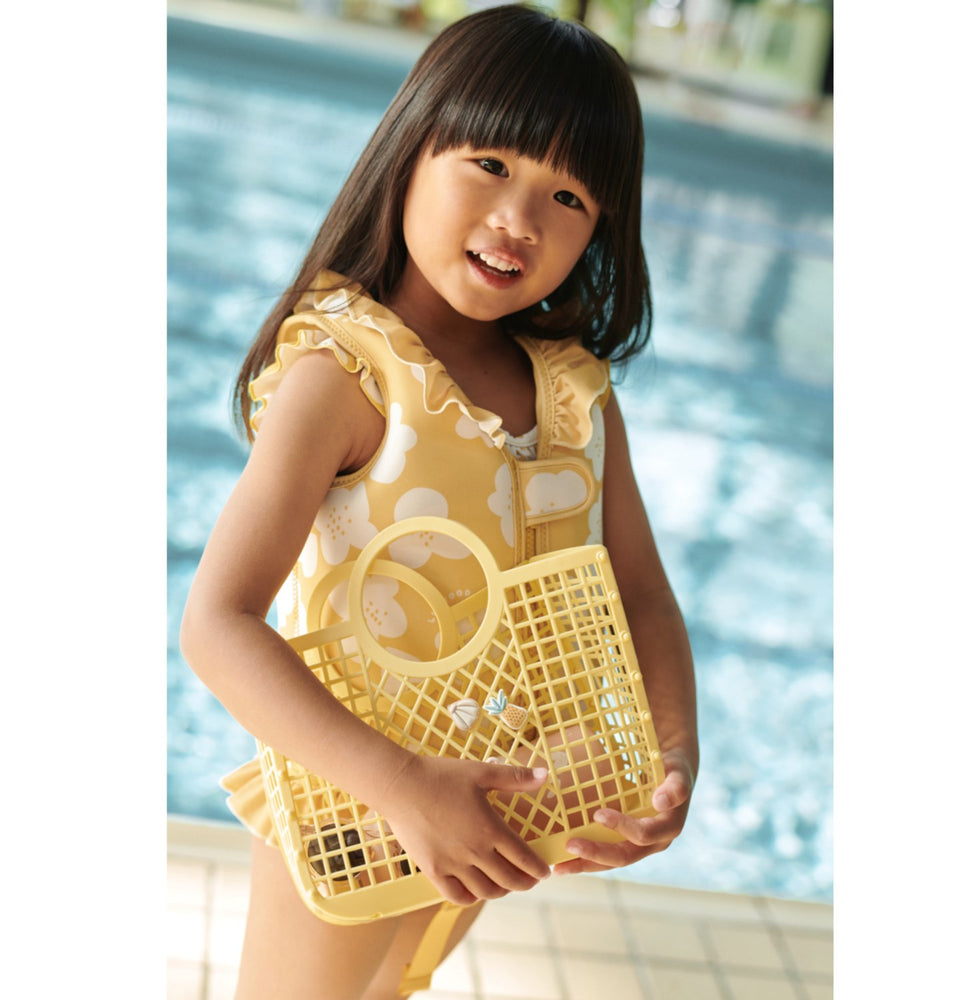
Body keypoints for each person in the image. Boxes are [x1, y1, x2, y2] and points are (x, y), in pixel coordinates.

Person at [180, 5, 698, 998]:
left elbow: (642, 597)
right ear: (410, 151)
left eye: (568, 196)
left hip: (496, 814)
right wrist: (404, 787)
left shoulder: (575, 398)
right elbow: (216, 623)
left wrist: (673, 751)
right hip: (357, 809)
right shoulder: (346, 379)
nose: (520, 219)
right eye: (490, 165)